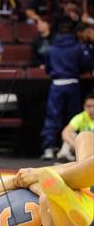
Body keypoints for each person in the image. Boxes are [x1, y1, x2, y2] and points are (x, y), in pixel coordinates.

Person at [41, 20, 93, 160]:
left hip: (56, 84)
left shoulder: (51, 48)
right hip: (72, 83)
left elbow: (47, 68)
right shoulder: (78, 47)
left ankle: (48, 148)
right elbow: (87, 65)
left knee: (52, 117)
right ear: (72, 32)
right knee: (73, 118)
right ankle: (74, 149)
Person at [57, 93, 94, 162]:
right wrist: (74, 145)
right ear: (84, 106)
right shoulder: (81, 117)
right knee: (72, 135)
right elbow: (65, 132)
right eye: (89, 106)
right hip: (82, 148)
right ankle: (64, 156)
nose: (92, 109)